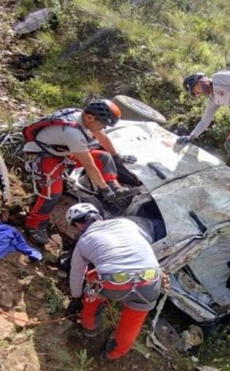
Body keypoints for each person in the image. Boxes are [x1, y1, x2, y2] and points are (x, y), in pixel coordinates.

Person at [22, 99, 138, 245]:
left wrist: (116, 156)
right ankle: (34, 225)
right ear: (90, 117)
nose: (102, 127)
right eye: (102, 123)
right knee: (52, 192)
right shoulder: (73, 133)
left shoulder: (82, 116)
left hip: (60, 151)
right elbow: (89, 165)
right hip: (43, 155)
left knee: (103, 157)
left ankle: (115, 187)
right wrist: (104, 190)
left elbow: (102, 136)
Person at [64, 203, 162, 361]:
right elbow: (147, 241)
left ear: (78, 225)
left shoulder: (84, 240)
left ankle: (89, 326)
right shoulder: (126, 223)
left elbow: (77, 273)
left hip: (115, 283)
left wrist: (76, 298)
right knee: (134, 320)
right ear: (98, 216)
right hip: (150, 282)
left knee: (92, 283)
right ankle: (113, 354)